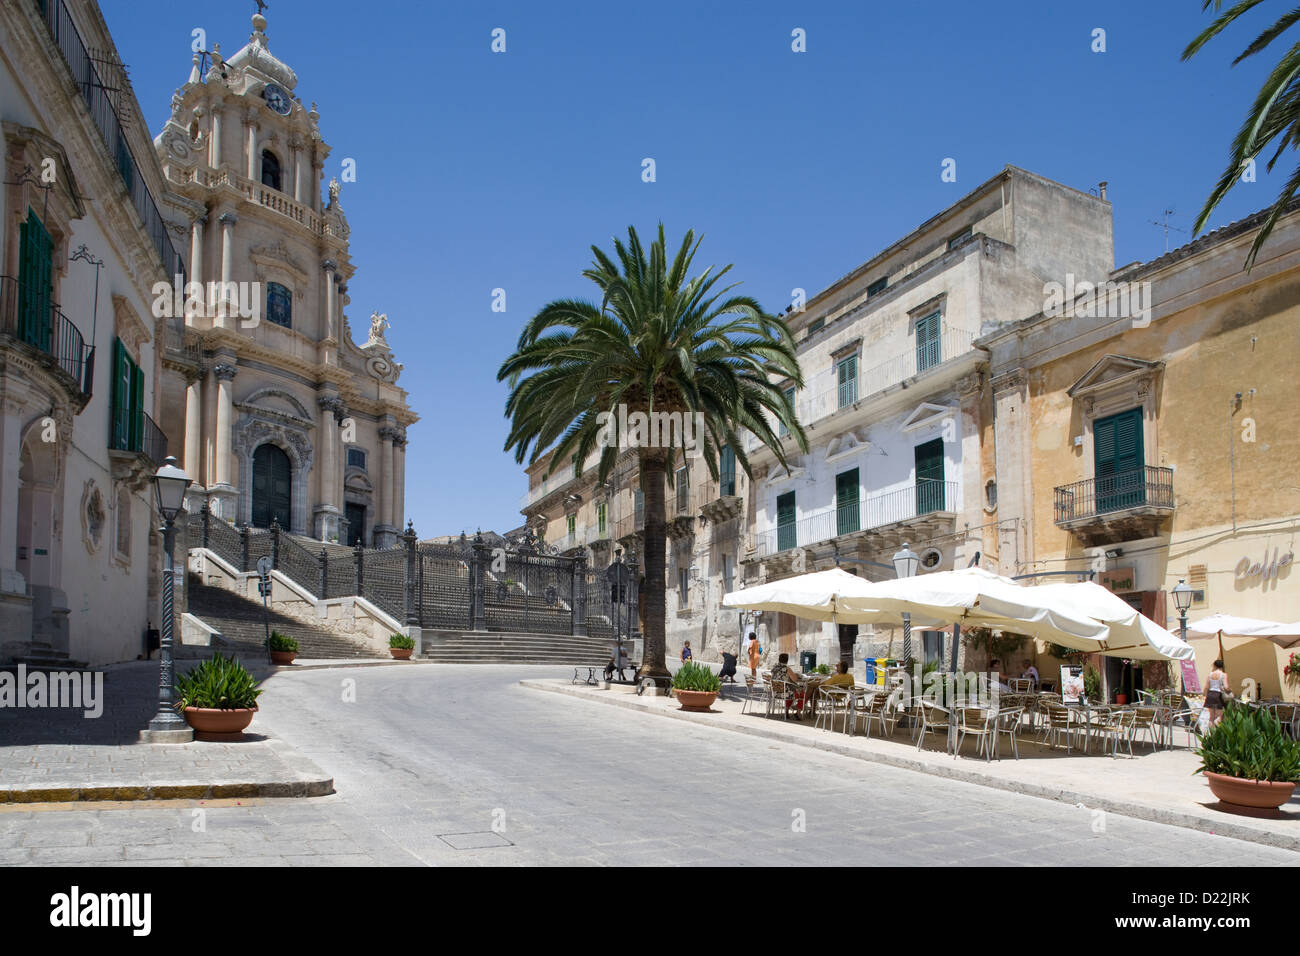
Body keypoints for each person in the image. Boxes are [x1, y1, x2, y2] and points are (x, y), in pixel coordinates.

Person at [770, 652, 807, 717]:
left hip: (775, 692)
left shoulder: (774, 668)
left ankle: (786, 711)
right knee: (802, 693)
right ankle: (798, 712)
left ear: (779, 659)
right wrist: (796, 675)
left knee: (791, 690)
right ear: (787, 660)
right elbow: (795, 679)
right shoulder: (787, 669)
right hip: (785, 693)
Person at [1205, 659, 1230, 727]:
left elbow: (1207, 686)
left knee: (1211, 718)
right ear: (1222, 666)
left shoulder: (1210, 674)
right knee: (1219, 717)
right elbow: (1226, 686)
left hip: (1210, 695)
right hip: (1218, 695)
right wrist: (1229, 691)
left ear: (1215, 665)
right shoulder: (1223, 675)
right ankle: (1217, 733)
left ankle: (1211, 734)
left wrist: (1206, 696)